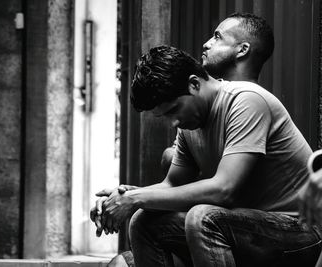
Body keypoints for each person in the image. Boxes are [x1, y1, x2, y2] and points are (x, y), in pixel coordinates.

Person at [92, 44, 322, 267]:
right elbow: (172, 183)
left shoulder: (246, 101)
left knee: (203, 217)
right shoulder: (189, 126)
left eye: (174, 110)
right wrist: (126, 196)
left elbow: (224, 190)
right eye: (165, 117)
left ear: (194, 83)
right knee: (143, 221)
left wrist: (137, 198)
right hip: (243, 230)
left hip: (300, 231)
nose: (173, 122)